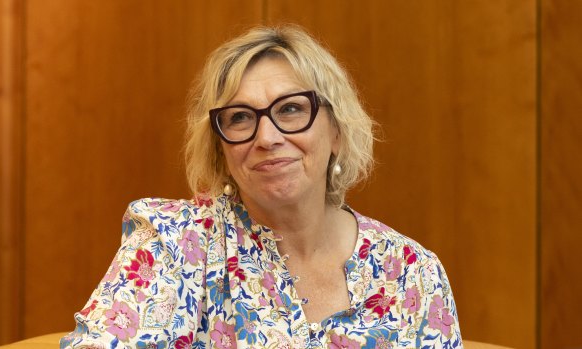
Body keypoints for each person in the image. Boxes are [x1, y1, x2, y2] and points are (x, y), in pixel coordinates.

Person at [60, 25, 462, 349]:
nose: (266, 137)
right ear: (221, 149)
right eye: (239, 118)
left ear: (337, 131)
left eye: (291, 109)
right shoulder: (172, 244)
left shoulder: (413, 274)